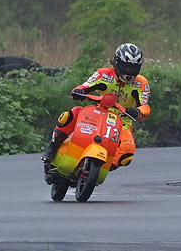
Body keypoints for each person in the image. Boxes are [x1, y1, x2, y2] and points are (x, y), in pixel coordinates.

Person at [41, 42, 150, 173]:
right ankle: (52, 147)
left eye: (133, 68)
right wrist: (79, 91)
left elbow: (145, 107)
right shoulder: (103, 74)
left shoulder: (141, 83)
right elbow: (85, 86)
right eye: (126, 66)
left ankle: (100, 168)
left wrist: (137, 111)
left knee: (127, 153)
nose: (129, 71)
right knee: (70, 115)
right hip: (99, 115)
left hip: (123, 122)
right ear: (117, 63)